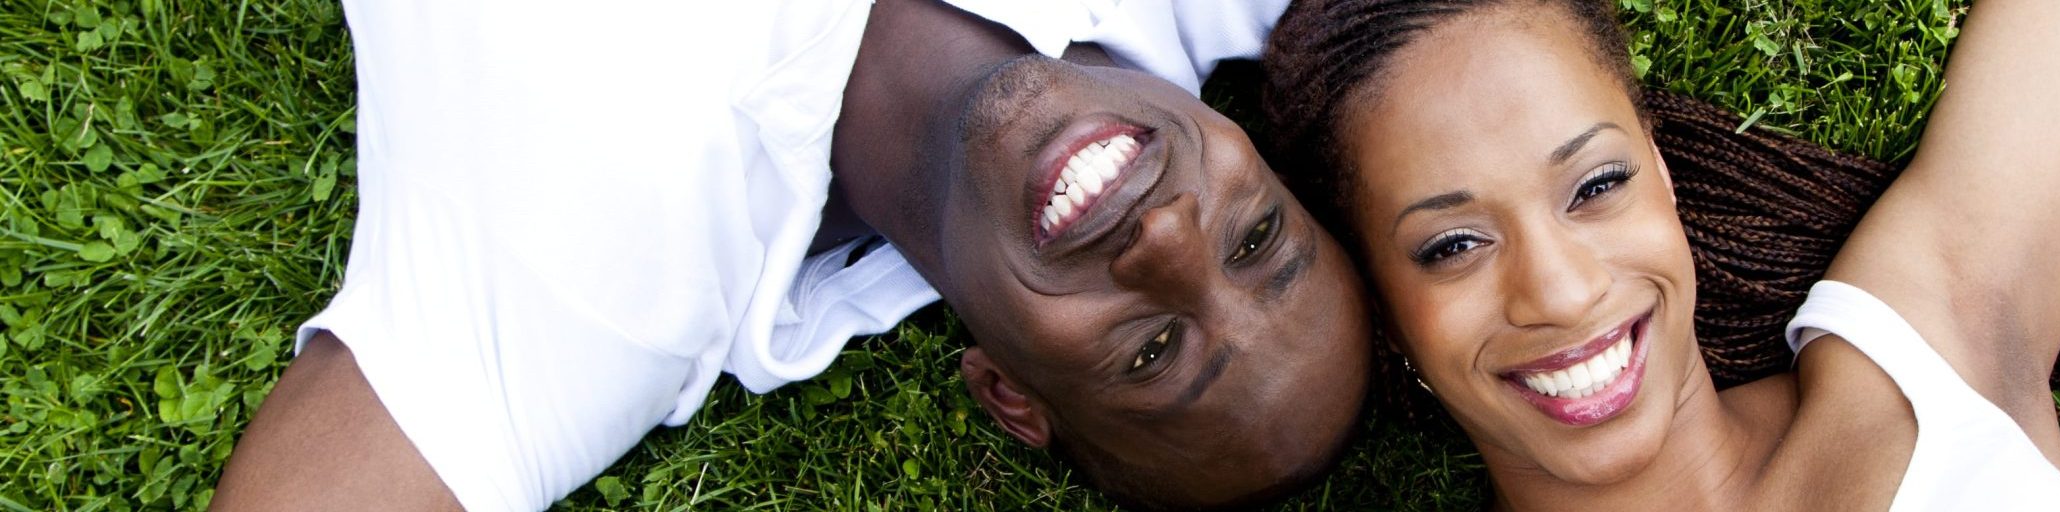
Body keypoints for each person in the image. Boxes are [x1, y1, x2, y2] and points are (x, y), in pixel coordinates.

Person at [1260, 0, 2060, 510]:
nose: (1556, 287)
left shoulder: (1926, 348)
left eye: (1595, 183)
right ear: (1381, 305)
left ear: (1659, 179)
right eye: (1453, 244)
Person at [209, 0, 1371, 510]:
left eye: (1155, 348)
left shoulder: (613, 288)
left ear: (1010, 395)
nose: (1166, 236)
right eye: (1256, 234)